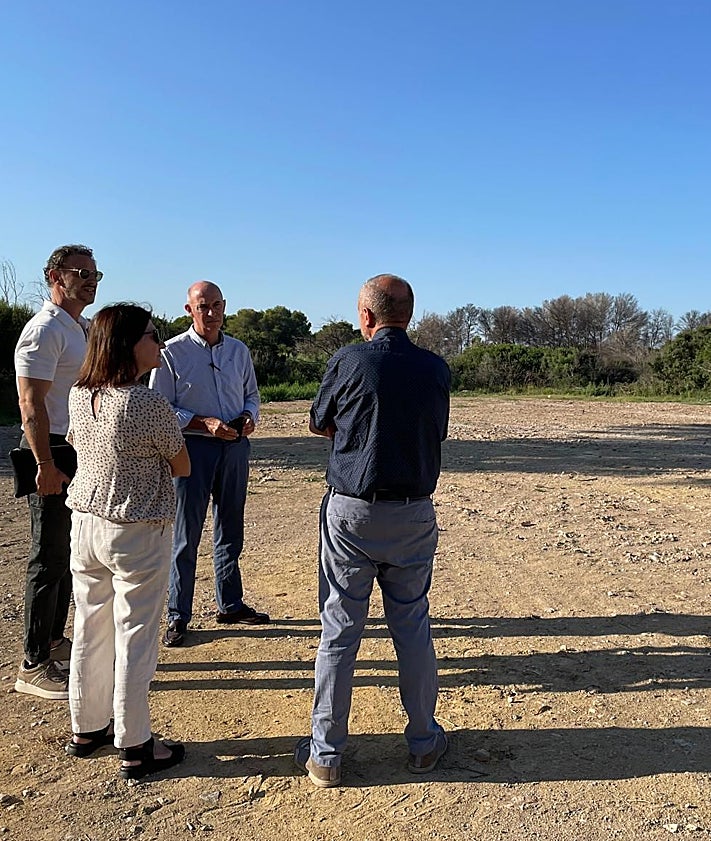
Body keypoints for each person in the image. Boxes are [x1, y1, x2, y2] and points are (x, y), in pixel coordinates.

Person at [294, 274, 451, 788]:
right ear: (409, 314)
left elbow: (320, 421)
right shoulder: (435, 368)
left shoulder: (348, 360)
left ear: (366, 316)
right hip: (413, 513)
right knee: (412, 627)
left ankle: (326, 753)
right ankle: (424, 742)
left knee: (339, 631)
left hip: (353, 512)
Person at [64, 303, 190, 780]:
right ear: (128, 343)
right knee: (135, 633)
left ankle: (87, 725)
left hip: (87, 520)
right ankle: (135, 742)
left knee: (91, 627)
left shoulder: (81, 394)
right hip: (136, 526)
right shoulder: (144, 403)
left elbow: (79, 443)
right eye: (152, 335)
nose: (159, 343)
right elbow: (182, 465)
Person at [149, 280, 268, 648]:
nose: (211, 313)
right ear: (189, 310)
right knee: (187, 533)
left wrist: (248, 416)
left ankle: (230, 603)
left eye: (217, 305)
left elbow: (251, 394)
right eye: (203, 307)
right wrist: (203, 423)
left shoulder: (238, 350)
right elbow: (159, 406)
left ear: (225, 306)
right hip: (192, 450)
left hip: (235, 448)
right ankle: (177, 614)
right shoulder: (170, 353)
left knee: (231, 527)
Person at [13, 244, 101, 700]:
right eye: (80, 272)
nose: (89, 280)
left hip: (78, 450)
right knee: (46, 556)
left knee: (69, 553)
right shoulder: (44, 330)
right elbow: (30, 403)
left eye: (94, 273)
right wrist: (44, 463)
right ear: (54, 276)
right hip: (54, 452)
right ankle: (32, 663)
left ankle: (52, 640)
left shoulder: (79, 327)